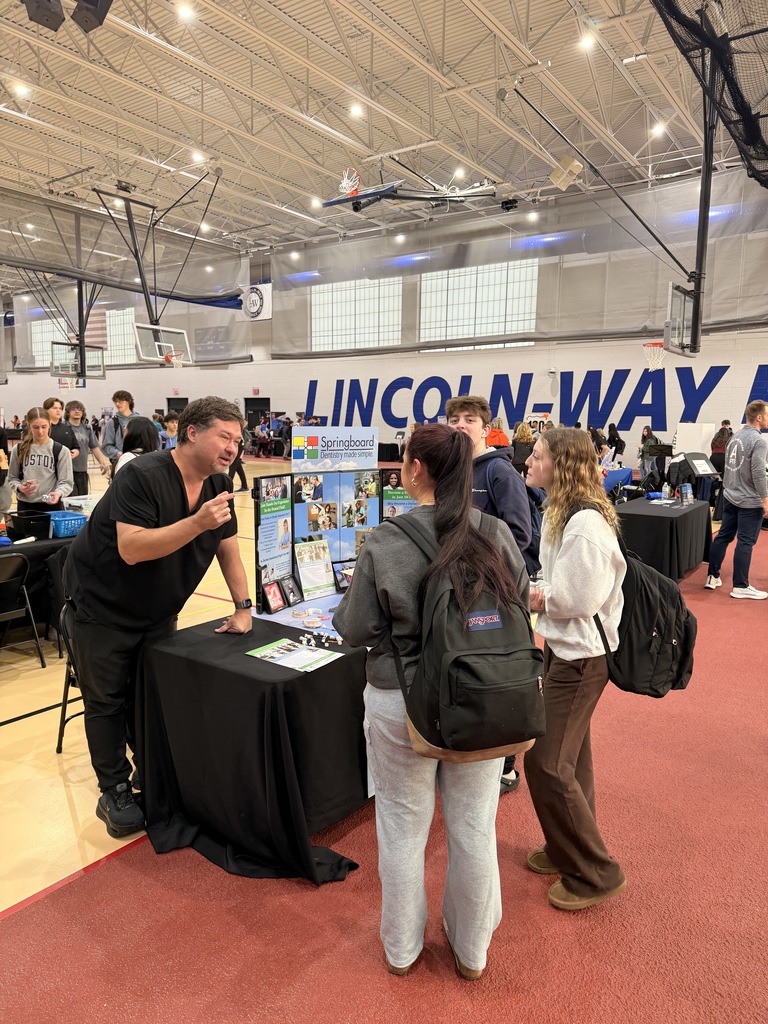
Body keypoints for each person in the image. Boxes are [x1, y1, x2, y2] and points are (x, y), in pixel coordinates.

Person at [333, 424, 529, 980]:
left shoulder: (386, 540)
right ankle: (472, 953)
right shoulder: (494, 532)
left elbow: (355, 629)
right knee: (473, 828)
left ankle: (401, 949)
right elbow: (516, 604)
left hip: (402, 700)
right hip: (481, 697)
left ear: (414, 468)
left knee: (401, 827)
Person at [63, 396, 253, 839]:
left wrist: (243, 608)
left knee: (149, 697)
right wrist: (198, 524)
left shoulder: (217, 484)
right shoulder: (143, 474)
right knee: (108, 700)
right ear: (192, 433)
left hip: (157, 611)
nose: (233, 448)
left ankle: (150, 771)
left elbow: (229, 549)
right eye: (224, 437)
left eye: (238, 441)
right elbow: (132, 548)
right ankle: (114, 790)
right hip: (101, 608)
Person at [523, 427, 627, 911]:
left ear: (559, 466)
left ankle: (595, 873)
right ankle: (568, 847)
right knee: (572, 760)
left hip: (581, 658)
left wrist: (526, 594)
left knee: (545, 763)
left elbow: (576, 599)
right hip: (565, 651)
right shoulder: (559, 511)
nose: (527, 460)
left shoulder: (583, 524)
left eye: (537, 455)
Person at [446, 394, 535, 796]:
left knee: (502, 670)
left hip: (497, 591)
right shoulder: (450, 469)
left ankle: (507, 764)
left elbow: (519, 534)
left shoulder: (499, 472)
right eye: (454, 419)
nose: (461, 425)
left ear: (485, 429)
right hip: (460, 590)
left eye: (469, 419)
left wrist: (474, 558)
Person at [704, 400, 768, 599]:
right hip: (749, 500)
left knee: (723, 536)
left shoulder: (734, 437)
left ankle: (712, 577)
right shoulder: (759, 441)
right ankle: (740, 585)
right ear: (759, 417)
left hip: (731, 497)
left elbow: (729, 467)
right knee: (745, 542)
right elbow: (759, 473)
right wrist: (766, 500)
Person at [8, 407, 74, 512]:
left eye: (44, 427)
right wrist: (20, 487)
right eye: (35, 427)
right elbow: (12, 478)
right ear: (29, 426)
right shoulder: (19, 449)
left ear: (49, 424)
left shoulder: (61, 451)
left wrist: (58, 493)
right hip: (25, 506)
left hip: (51, 506)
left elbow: (66, 482)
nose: (40, 431)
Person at [64, 400, 111, 494]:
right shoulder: (63, 427)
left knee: (82, 501)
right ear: (68, 412)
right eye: (73, 409)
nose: (77, 411)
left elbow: (94, 447)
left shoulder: (87, 428)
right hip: (67, 472)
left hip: (82, 470)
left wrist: (102, 462)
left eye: (79, 409)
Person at [100, 390, 140, 470]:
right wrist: (118, 453)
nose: (117, 404)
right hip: (119, 463)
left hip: (139, 462)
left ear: (129, 402)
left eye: (121, 401)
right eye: (116, 401)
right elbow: (106, 446)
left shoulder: (140, 420)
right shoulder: (112, 422)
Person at [43, 397, 78, 463]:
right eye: (55, 408)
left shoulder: (67, 428)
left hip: (65, 465)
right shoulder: (42, 428)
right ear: (46, 410)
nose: (58, 410)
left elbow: (76, 447)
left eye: (60, 408)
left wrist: (75, 452)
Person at [228, 424, 249, 491]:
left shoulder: (239, 429)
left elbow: (241, 443)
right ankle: (245, 486)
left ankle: (227, 487)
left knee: (232, 467)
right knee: (238, 468)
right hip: (238, 447)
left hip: (238, 448)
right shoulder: (238, 429)